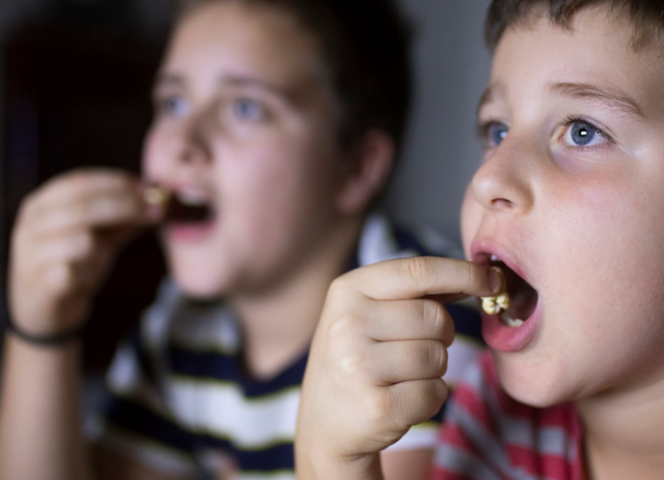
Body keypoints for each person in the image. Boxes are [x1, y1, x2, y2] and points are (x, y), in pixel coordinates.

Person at [294, 0, 664, 478]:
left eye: (583, 131)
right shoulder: (492, 408)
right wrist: (332, 462)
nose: (487, 178)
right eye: (497, 130)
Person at [0, 0, 484, 478]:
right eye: (173, 102)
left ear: (356, 168)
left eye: (245, 108)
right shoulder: (183, 330)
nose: (184, 141)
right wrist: (43, 330)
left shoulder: (422, 319)